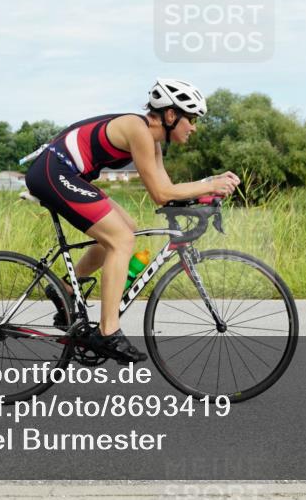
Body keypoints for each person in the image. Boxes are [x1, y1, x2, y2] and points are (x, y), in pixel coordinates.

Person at [24, 79, 240, 363]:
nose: (194, 127)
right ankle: (107, 330)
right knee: (121, 241)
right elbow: (162, 192)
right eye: (191, 119)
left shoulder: (153, 144)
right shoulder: (138, 130)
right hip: (53, 172)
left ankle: (65, 288)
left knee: (128, 229)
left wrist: (202, 196)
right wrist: (210, 183)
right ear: (171, 115)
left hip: (68, 174)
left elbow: (165, 195)